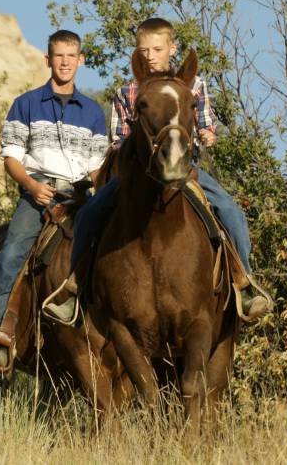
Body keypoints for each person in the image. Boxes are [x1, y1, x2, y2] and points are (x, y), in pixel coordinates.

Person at [43, 17, 271, 323]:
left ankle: (245, 282)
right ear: (137, 54)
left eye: (157, 49)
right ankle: (74, 285)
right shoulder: (128, 92)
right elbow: (119, 140)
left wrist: (208, 134)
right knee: (89, 213)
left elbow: (206, 125)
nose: (150, 55)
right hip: (137, 176)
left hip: (185, 171)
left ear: (172, 48)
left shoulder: (194, 85)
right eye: (144, 50)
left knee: (231, 211)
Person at [0, 29, 108, 369]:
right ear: (48, 59)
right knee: (12, 250)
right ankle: (0, 333)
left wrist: (101, 191)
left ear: (81, 61)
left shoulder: (94, 112)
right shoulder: (26, 104)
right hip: (38, 190)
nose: (65, 62)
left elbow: (97, 166)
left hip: (80, 194)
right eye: (59, 56)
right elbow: (11, 158)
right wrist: (31, 187)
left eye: (71, 56)